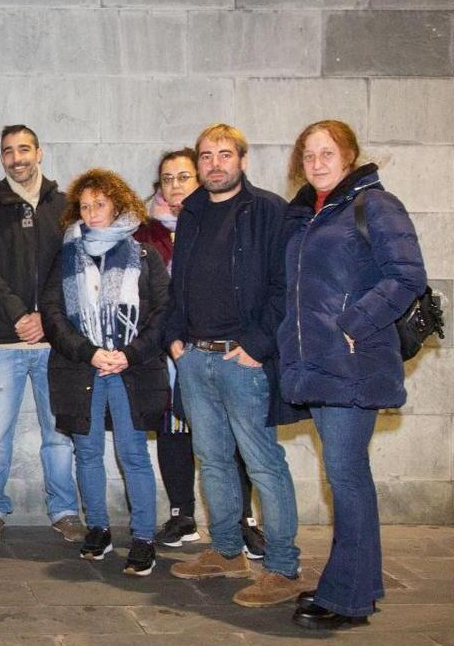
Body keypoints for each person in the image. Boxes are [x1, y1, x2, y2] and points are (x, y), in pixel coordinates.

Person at [279, 120, 426, 629]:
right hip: (318, 364)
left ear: (349, 156)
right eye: (309, 155)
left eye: (327, 153)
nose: (317, 163)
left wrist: (354, 324)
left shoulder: (375, 205)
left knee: (345, 477)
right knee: (347, 476)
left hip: (352, 363)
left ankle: (346, 598)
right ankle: (362, 583)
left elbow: (408, 275)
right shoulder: (308, 214)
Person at [165, 124, 310, 608]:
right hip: (195, 358)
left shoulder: (269, 210)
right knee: (212, 460)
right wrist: (175, 339)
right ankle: (226, 551)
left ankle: (283, 568)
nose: (214, 164)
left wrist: (256, 344)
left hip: (242, 359)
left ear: (242, 160)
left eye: (224, 155)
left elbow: (284, 287)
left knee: (264, 463)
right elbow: (178, 283)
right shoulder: (192, 212)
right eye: (206, 156)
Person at [136, 149, 266, 556]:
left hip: (221, 347)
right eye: (166, 179)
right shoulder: (141, 234)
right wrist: (169, 342)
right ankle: (182, 514)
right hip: (169, 348)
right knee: (173, 430)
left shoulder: (215, 221)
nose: (174, 186)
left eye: (183, 177)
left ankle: (244, 519)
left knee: (234, 434)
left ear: (199, 180)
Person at [39, 168, 169, 576]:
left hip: (130, 370)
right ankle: (98, 528)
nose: (92, 212)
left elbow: (163, 314)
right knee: (88, 452)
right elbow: (53, 314)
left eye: (100, 204)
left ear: (117, 204)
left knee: (133, 454)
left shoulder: (144, 254)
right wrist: (90, 351)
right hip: (83, 369)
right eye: (85, 206)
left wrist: (128, 353)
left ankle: (144, 537)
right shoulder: (65, 257)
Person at [0, 124, 84, 544]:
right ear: (1, 158)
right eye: (8, 151)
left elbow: (70, 269)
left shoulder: (67, 206)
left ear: (40, 151)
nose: (17, 158)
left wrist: (43, 317)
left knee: (58, 432)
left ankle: (65, 509)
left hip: (54, 340)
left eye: (23, 149)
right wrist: (19, 314)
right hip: (4, 338)